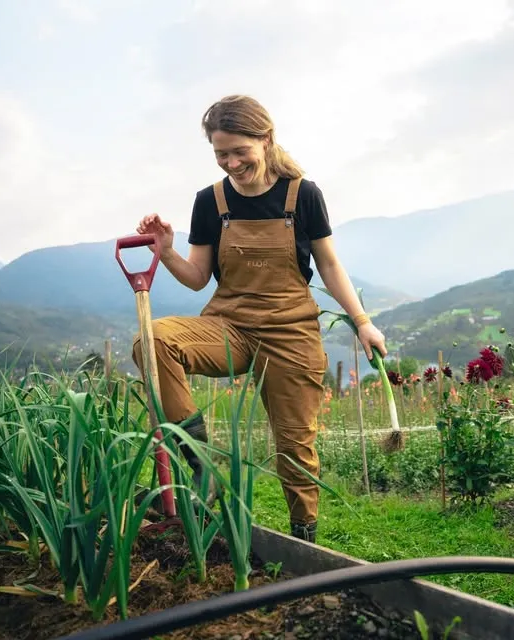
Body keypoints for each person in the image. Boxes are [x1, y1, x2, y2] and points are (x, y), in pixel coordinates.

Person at [132, 94, 387, 543]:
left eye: (238, 151)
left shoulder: (302, 195)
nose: (230, 163)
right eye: (220, 154)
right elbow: (197, 278)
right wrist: (166, 249)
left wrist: (363, 321)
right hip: (230, 326)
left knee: (294, 445)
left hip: (290, 333)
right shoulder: (210, 201)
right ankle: (201, 461)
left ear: (265, 139)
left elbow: (328, 264)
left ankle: (303, 537)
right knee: (153, 340)